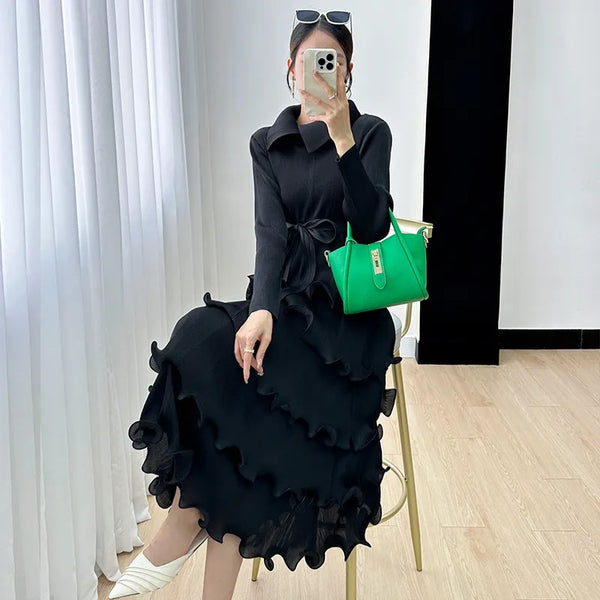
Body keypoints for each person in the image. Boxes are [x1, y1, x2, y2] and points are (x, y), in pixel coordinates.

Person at [109, 11, 401, 600]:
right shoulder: (266, 143)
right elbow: (270, 236)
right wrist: (261, 308)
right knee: (200, 339)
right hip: (286, 303)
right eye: (310, 62)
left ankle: (182, 528)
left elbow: (372, 230)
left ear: (348, 71)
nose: (320, 73)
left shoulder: (370, 132)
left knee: (251, 403)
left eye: (333, 63)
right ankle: (191, 523)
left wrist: (343, 139)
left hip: (347, 322)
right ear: (290, 69)